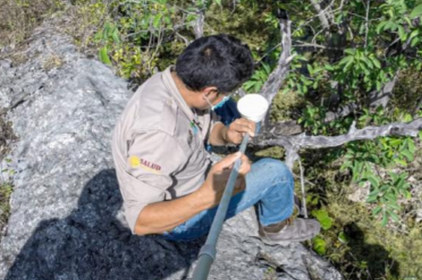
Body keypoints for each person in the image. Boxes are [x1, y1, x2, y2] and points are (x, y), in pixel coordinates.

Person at [110, 34, 320, 244]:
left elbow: (200, 127)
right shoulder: (162, 135)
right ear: (209, 92)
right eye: (226, 94)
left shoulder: (172, 80)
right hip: (181, 221)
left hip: (192, 177)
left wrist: (225, 135)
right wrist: (209, 195)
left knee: (231, 115)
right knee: (276, 173)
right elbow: (140, 221)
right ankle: (276, 230)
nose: (226, 99)